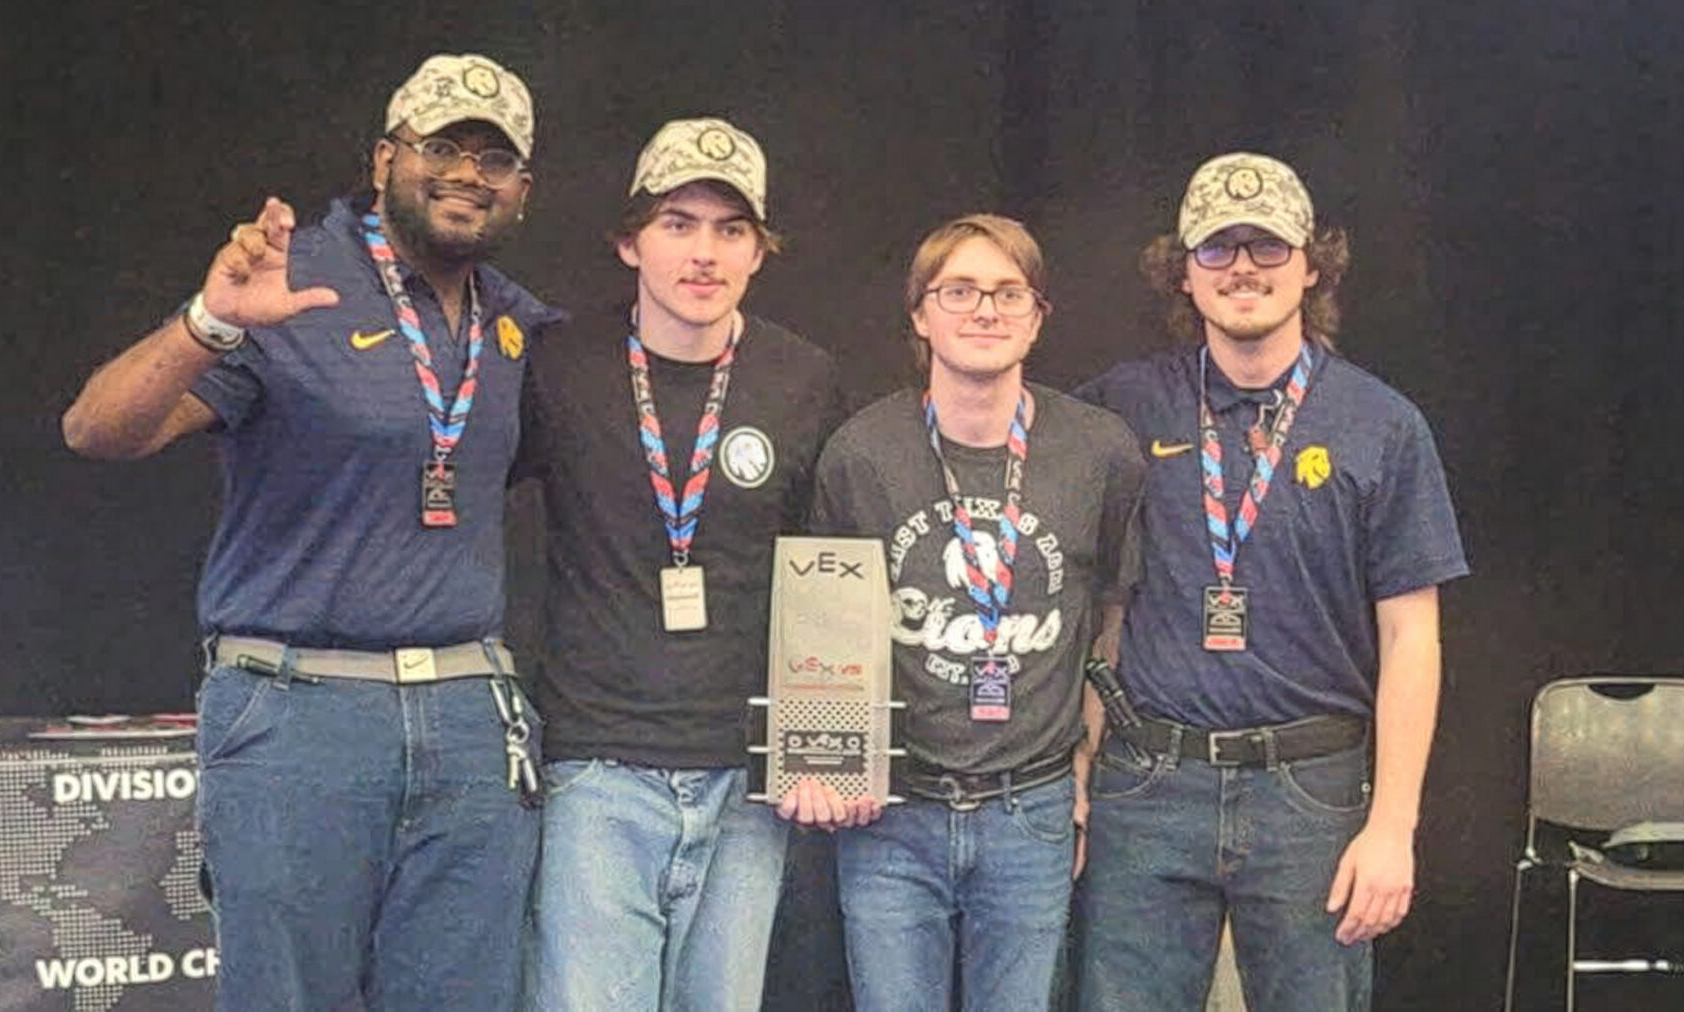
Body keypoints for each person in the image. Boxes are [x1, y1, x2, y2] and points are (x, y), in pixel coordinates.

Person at [61, 54, 556, 1011]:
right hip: (299, 713)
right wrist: (208, 321)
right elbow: (98, 430)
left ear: (522, 190)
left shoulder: (517, 324)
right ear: (383, 159)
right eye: (441, 145)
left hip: (469, 721)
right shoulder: (294, 284)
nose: (466, 172)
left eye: (494, 159)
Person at [1071, 152, 1469, 1011]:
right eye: (1217, 248)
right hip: (1148, 782)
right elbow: (1088, 596)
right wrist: (1076, 761)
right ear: (1182, 272)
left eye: (1268, 246)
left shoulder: (1383, 424)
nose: (1243, 267)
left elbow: (1413, 636)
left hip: (1309, 791)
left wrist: (1394, 825)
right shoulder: (1118, 410)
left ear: (1312, 264)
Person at [518, 117, 849, 1012]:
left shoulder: (803, 377)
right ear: (631, 242)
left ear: (758, 251)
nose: (704, 253)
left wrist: (823, 747)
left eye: (730, 230)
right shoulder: (558, 365)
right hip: (595, 765)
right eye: (678, 224)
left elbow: (828, 575)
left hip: (745, 776)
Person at [810, 214, 1145, 1011]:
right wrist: (825, 758)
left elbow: (1111, 614)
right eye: (959, 291)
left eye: (1007, 292)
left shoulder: (1100, 451)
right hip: (890, 812)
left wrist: (1085, 768)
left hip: (1029, 808)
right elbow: (821, 625)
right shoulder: (860, 453)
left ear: (1038, 316)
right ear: (920, 315)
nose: (985, 310)